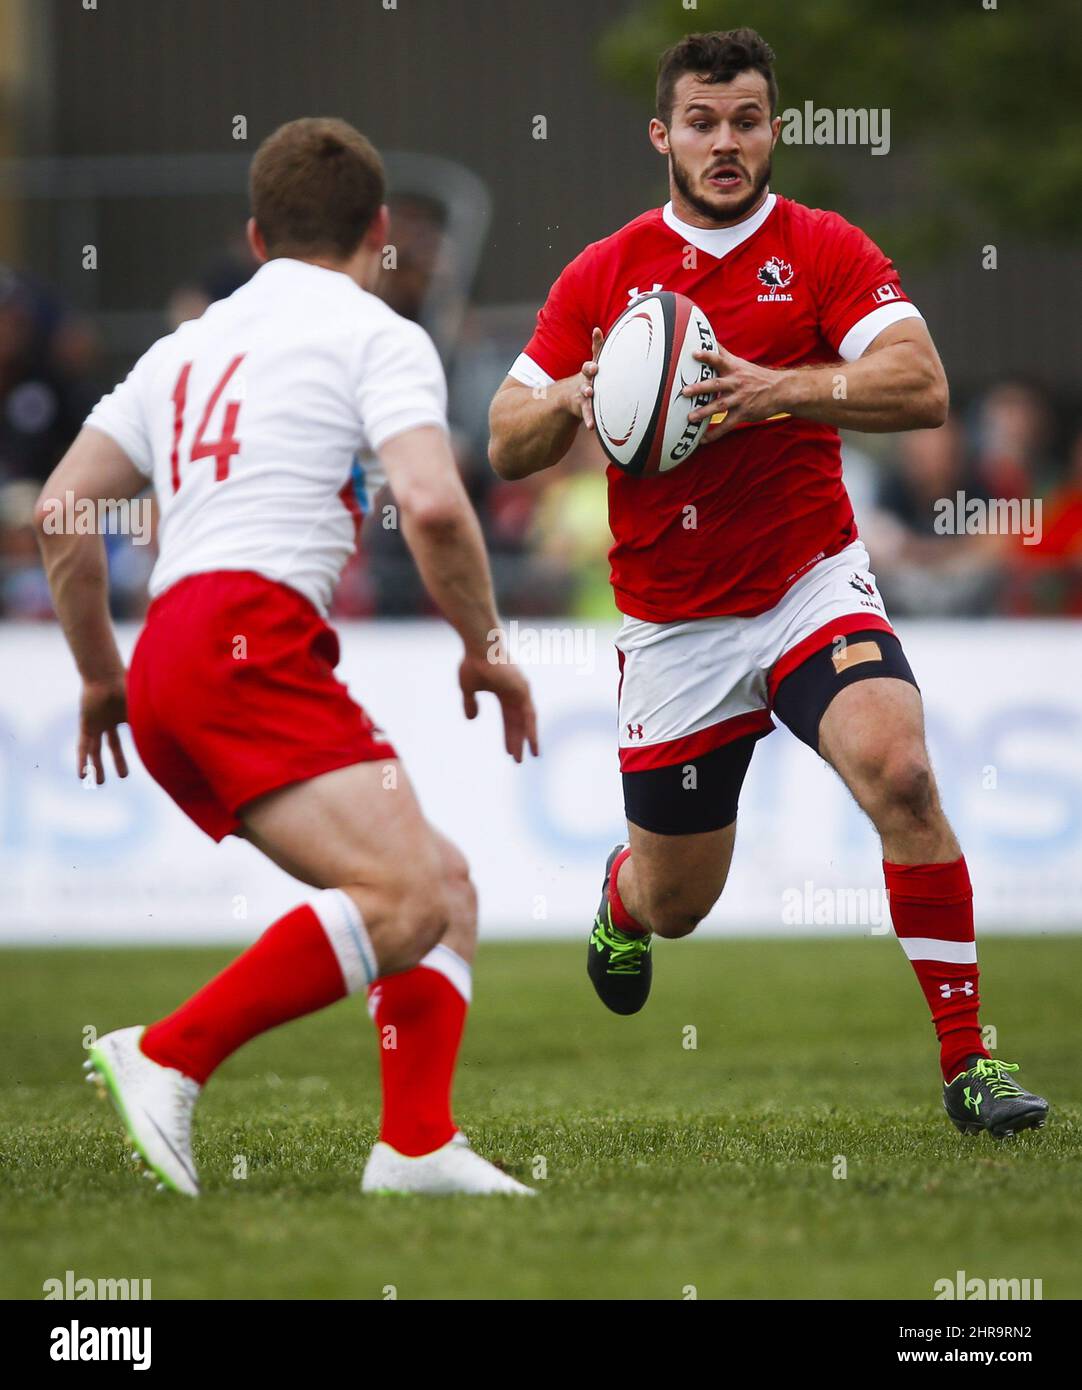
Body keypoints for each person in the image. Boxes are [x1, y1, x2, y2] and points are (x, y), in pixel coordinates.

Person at [488, 29, 1047, 1139]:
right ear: (662, 135)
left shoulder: (823, 247)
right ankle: (621, 898)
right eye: (700, 121)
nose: (724, 142)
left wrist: (775, 389)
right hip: (674, 626)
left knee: (897, 770)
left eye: (744, 119)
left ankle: (967, 1061)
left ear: (774, 129)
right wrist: (570, 398)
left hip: (808, 585)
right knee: (678, 902)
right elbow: (503, 438)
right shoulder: (600, 275)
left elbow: (920, 384)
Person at [36, 117, 538, 1197]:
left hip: (173, 652)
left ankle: (413, 1146)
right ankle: (168, 1053)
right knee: (401, 899)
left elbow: (61, 511)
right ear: (380, 232)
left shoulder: (179, 350)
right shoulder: (376, 332)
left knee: (441, 886)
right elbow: (435, 507)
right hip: (247, 643)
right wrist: (488, 648)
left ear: (257, 236)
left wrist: (97, 675)